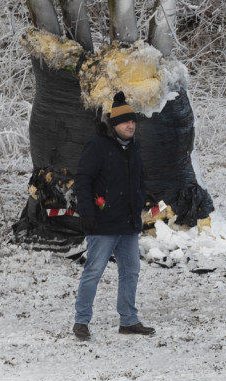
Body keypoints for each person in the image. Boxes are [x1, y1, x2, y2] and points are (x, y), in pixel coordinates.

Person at [72, 91, 154, 340]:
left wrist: (142, 199)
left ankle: (128, 321)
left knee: (131, 271)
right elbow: (83, 180)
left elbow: (139, 178)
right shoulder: (97, 146)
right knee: (94, 272)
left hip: (128, 222)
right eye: (126, 122)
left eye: (134, 121)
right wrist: (87, 213)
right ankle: (81, 321)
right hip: (102, 222)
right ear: (114, 124)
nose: (131, 125)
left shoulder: (134, 147)